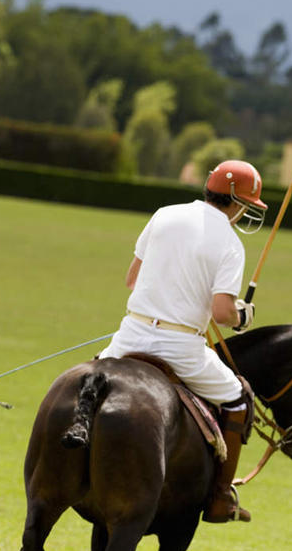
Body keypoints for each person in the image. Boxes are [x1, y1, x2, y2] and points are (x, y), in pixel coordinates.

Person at [99, 160, 268, 523]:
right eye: (247, 204)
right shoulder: (231, 244)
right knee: (238, 398)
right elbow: (221, 312)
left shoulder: (164, 214)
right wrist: (243, 315)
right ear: (237, 202)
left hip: (131, 334)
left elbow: (132, 279)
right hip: (181, 349)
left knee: (92, 380)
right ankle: (221, 496)